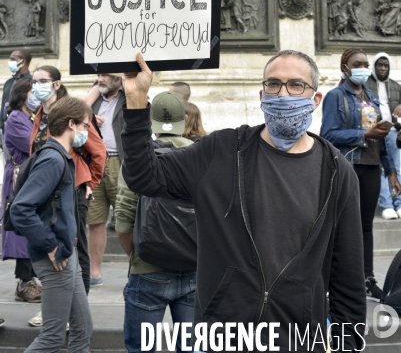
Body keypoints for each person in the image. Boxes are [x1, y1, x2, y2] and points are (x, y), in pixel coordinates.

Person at [120, 49, 367, 351]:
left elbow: (348, 279)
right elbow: (145, 176)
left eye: (296, 85)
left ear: (315, 99)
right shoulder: (222, 150)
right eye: (273, 84)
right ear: (262, 95)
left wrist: (347, 345)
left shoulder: (337, 173)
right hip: (221, 338)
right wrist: (135, 100)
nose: (283, 93)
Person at [10, 96, 93, 353]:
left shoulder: (59, 156)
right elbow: (21, 209)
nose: (87, 132)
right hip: (56, 258)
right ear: (71, 124)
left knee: (82, 329)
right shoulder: (53, 159)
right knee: (52, 337)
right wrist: (50, 245)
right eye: (86, 126)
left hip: (67, 253)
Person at [115, 90, 194, 353]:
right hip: (196, 269)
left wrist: (136, 256)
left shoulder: (137, 161)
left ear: (150, 119)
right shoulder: (204, 156)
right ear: (185, 119)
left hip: (148, 269)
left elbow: (124, 222)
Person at [321, 47, 401, 302]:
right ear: (345, 67)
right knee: (345, 225)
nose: (363, 68)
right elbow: (328, 135)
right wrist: (363, 135)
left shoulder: (373, 98)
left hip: (371, 166)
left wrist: (391, 173)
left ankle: (367, 280)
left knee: (366, 226)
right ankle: (340, 279)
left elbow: (381, 139)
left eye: (366, 64)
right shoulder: (335, 96)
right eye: (358, 64)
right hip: (348, 166)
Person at [29, 67, 106, 296]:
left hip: (72, 190)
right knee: (51, 247)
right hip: (46, 191)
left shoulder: (74, 111)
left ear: (57, 84)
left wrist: (90, 184)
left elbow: (99, 152)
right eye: (34, 82)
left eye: (43, 81)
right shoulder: (41, 114)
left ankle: (78, 306)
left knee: (77, 245)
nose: (36, 86)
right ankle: (58, 302)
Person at [1, 79, 41, 303]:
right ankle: (24, 282)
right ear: (23, 96)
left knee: (31, 228)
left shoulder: (30, 117)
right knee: (21, 230)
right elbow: (33, 145)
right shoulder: (16, 119)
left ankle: (31, 279)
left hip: (30, 177)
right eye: (32, 92)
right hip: (20, 179)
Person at [84, 74, 125, 287]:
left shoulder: (128, 97)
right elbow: (78, 109)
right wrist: (90, 108)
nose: (100, 78)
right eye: (98, 75)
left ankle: (135, 269)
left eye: (105, 75)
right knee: (95, 220)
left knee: (126, 219)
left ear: (119, 78)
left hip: (121, 163)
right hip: (96, 163)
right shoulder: (95, 98)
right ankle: (95, 272)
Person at [366, 52, 401, 219]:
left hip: (394, 131)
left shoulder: (396, 86)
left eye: (385, 65)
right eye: (379, 65)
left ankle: (399, 204)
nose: (382, 68)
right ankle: (386, 205)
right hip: (375, 132)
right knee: (381, 168)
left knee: (397, 168)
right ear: (374, 66)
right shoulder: (365, 85)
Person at [0, 49, 32, 166]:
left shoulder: (30, 82)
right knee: (8, 164)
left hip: (21, 129)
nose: (10, 62)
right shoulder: (8, 83)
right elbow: (3, 106)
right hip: (6, 130)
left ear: (23, 62)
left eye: (13, 60)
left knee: (20, 163)